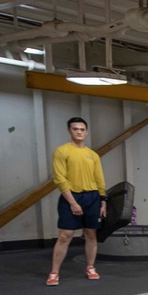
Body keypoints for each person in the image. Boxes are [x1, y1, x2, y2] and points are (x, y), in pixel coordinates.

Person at [47, 117, 106, 286]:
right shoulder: (61, 151)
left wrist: (103, 201)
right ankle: (54, 272)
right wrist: (72, 202)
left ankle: (90, 267)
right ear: (69, 131)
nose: (79, 132)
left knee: (90, 234)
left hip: (92, 197)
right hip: (70, 196)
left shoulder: (93, 155)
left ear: (86, 132)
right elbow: (60, 179)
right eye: (75, 129)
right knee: (65, 235)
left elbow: (99, 179)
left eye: (81, 129)